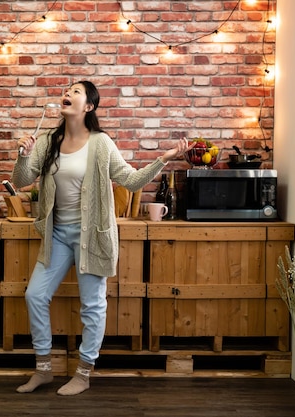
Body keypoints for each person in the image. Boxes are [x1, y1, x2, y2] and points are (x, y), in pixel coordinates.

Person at [11, 80, 190, 396]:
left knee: (92, 306)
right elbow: (22, 179)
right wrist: (24, 156)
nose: (67, 93)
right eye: (66, 89)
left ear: (89, 106)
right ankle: (43, 369)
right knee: (34, 295)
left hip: (91, 236)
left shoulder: (101, 143)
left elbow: (132, 181)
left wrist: (163, 158)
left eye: (75, 91)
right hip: (57, 236)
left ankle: (83, 373)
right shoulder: (48, 141)